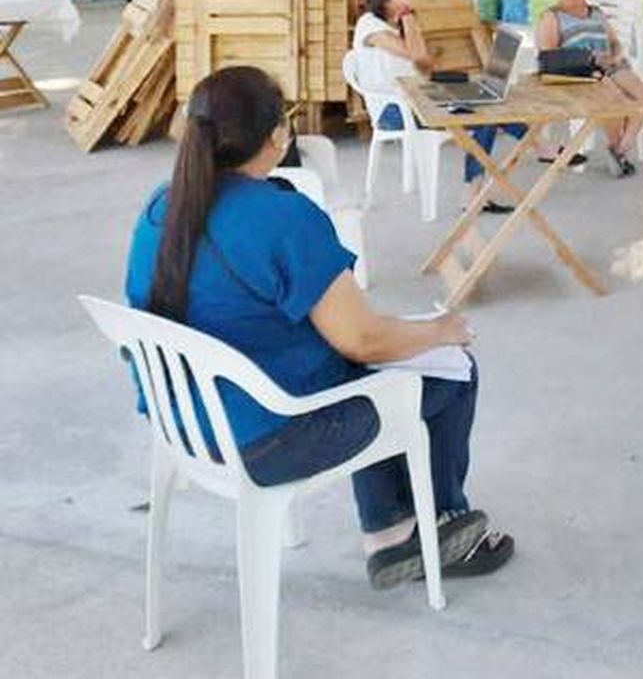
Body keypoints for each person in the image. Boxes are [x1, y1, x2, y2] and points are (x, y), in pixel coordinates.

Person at [124, 66, 514, 587]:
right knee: (448, 371)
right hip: (272, 436)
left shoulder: (161, 207)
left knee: (358, 365)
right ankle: (435, 529)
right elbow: (362, 337)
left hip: (187, 422)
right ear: (278, 135)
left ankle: (389, 531)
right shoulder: (284, 217)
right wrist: (442, 330)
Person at [352, 0, 521, 213]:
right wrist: (409, 14)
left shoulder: (401, 22)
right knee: (487, 116)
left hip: (421, 97)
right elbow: (416, 54)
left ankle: (536, 146)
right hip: (396, 110)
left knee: (490, 96)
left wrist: (454, 81)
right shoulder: (369, 25)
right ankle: (532, 149)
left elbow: (423, 65)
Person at [535, 0, 643, 177]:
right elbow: (548, 57)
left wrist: (615, 56)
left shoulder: (596, 12)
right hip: (582, 72)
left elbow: (615, 41)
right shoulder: (552, 17)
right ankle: (619, 154)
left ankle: (619, 149)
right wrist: (588, 60)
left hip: (611, 66)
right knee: (617, 99)